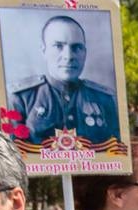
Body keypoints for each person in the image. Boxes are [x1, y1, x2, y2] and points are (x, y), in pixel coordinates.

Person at [9, 15, 121, 145]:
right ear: (43, 51)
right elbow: (14, 157)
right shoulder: (21, 98)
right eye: (58, 46)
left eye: (76, 47)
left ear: (85, 52)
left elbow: (116, 152)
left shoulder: (105, 99)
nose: (68, 56)